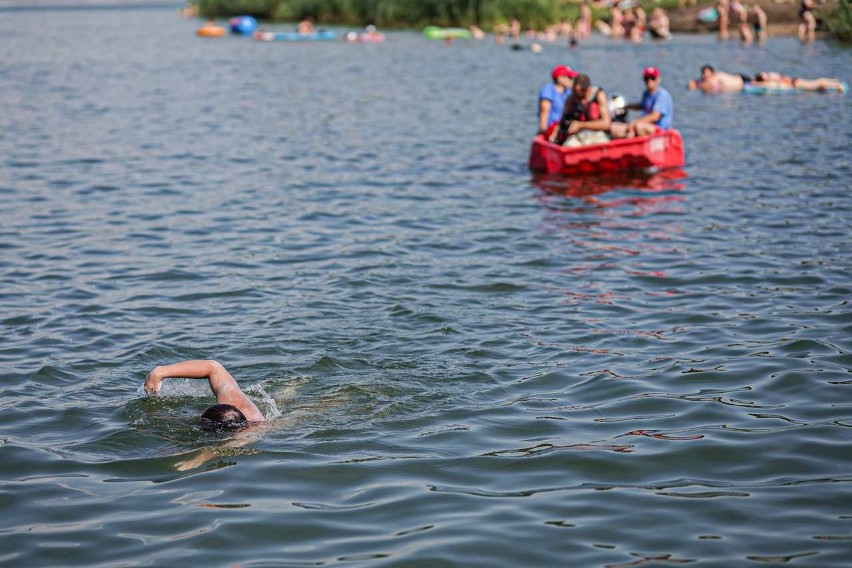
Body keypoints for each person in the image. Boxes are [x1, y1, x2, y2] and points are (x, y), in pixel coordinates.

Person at [144, 360, 265, 426]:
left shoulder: (245, 437)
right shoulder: (238, 402)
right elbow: (214, 367)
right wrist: (160, 372)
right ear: (232, 406)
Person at [549, 74, 612, 147]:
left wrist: (581, 125)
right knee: (569, 146)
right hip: (577, 136)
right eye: (575, 93)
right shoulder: (571, 99)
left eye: (582, 94)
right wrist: (555, 133)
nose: (580, 98)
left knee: (603, 145)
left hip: (597, 134)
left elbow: (606, 124)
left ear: (588, 89)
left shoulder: (598, 95)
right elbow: (562, 120)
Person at [610, 66, 673, 138]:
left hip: (660, 129)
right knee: (614, 128)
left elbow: (655, 116)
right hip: (647, 125)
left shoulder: (662, 95)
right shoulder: (646, 93)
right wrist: (626, 106)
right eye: (647, 78)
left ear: (658, 79)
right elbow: (642, 106)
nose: (649, 80)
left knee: (639, 127)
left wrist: (635, 122)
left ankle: (642, 146)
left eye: (652, 78)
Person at [538, 65, 579, 135]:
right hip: (551, 127)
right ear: (560, 78)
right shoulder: (549, 89)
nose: (571, 80)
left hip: (565, 126)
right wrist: (544, 130)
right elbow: (544, 110)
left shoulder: (568, 92)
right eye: (569, 77)